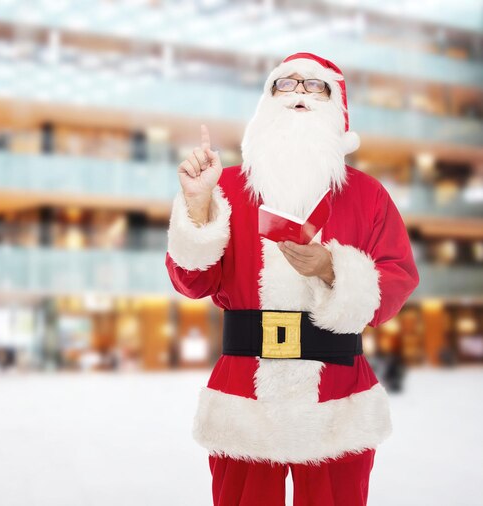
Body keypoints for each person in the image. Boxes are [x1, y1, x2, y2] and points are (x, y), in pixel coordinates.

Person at [165, 52, 420, 506]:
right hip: (246, 393)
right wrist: (199, 207)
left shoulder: (369, 195)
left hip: (337, 395)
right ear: (266, 103)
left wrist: (332, 269)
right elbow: (192, 283)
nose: (299, 93)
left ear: (337, 107)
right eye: (286, 84)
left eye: (313, 86)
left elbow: (397, 281)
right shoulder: (223, 187)